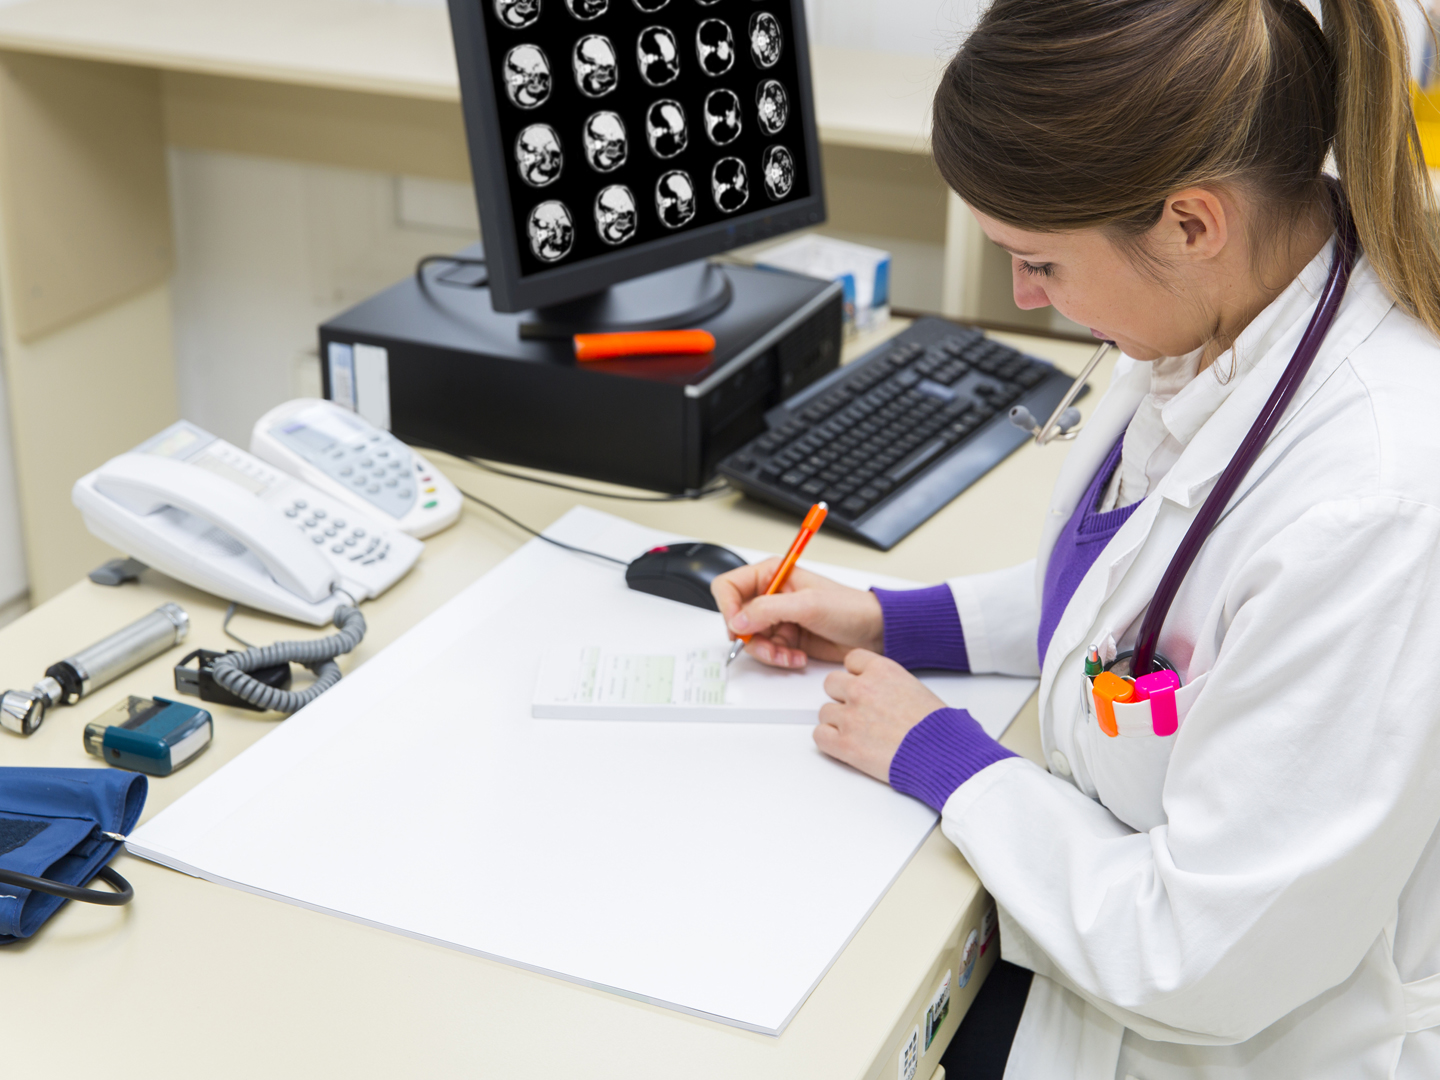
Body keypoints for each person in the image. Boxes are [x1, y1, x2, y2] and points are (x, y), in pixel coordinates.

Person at [711, 2, 1440, 1077]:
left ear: (1192, 222)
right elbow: (1145, 610)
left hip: (1219, 1036)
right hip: (1092, 951)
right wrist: (891, 619)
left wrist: (939, 753)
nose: (1021, 296)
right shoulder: (1236, 297)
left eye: (1041, 264)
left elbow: (1203, 960)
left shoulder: (1372, 501)